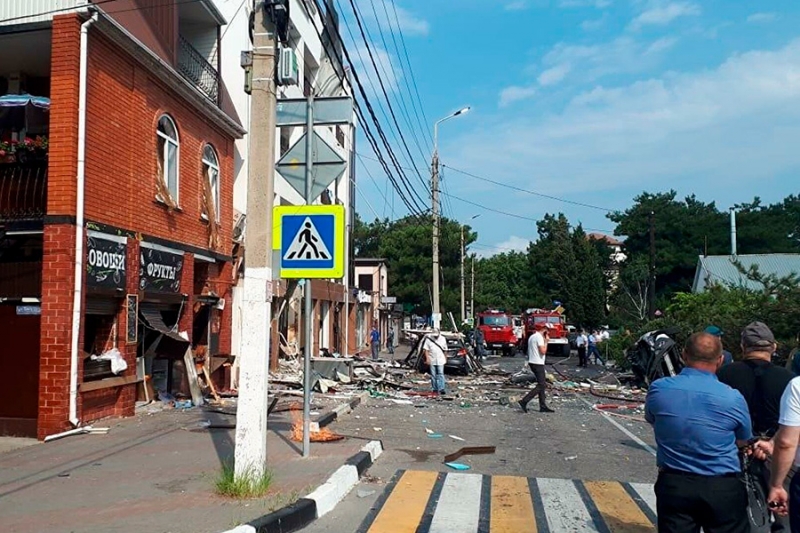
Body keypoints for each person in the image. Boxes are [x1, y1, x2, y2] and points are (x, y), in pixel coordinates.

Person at [646, 331, 770, 533]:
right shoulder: (733, 398)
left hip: (675, 484)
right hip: (722, 486)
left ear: (684, 355)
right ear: (720, 360)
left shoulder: (659, 389)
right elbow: (743, 439)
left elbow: (652, 419)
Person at [718, 322, 793, 533]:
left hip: (736, 452)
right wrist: (770, 442)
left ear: (743, 346)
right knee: (782, 516)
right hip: (777, 454)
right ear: (774, 347)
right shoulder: (788, 380)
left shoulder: (725, 374)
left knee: (741, 517)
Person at [519, 324, 555, 414]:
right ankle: (524, 401)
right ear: (545, 330)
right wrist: (546, 342)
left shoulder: (532, 336)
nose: (549, 333)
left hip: (533, 362)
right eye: (549, 331)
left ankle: (542, 406)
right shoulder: (539, 337)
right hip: (537, 363)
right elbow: (543, 351)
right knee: (542, 385)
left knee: (541, 384)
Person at [423, 330, 447, 395]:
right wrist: (427, 358)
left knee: (440, 374)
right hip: (432, 359)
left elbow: (445, 350)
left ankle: (441, 388)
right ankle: (435, 389)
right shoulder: (429, 339)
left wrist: (445, 358)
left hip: (440, 359)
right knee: (433, 375)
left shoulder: (443, 339)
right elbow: (426, 350)